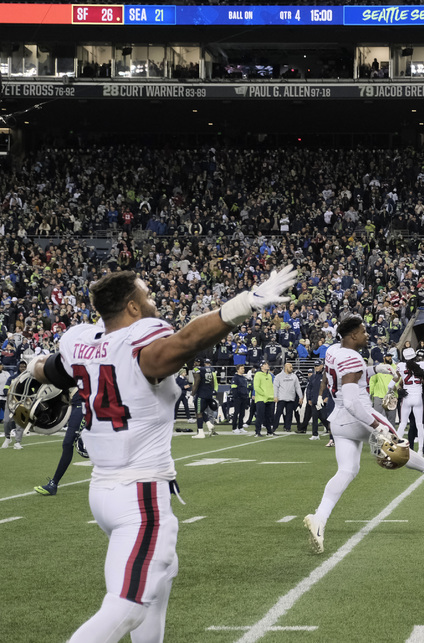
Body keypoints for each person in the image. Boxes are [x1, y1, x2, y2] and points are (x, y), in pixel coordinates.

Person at [25, 265, 296, 643]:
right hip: (139, 493)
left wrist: (32, 366)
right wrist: (243, 304)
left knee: (162, 573)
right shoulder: (142, 344)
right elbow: (184, 344)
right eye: (147, 295)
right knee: (127, 606)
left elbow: (51, 368)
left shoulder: (81, 342)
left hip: (102, 491)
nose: (154, 301)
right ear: (133, 308)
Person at [305, 316, 424, 554]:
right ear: (352, 336)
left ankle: (319, 519)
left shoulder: (334, 351)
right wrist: (377, 427)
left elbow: (352, 377)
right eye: (363, 332)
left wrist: (375, 369)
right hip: (358, 416)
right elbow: (354, 401)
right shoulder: (351, 356)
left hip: (338, 420)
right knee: (398, 446)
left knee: (347, 471)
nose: (367, 335)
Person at [34, 391, 87, 494]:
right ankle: (54, 484)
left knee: (69, 444)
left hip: (83, 404)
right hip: (75, 404)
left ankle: (54, 483)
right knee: (68, 444)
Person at [395, 347, 424, 453]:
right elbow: (400, 384)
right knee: (413, 425)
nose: (420, 358)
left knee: (423, 424)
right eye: (419, 356)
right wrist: (400, 389)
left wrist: (423, 375)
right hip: (415, 397)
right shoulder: (418, 366)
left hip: (423, 398)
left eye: (422, 357)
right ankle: (412, 448)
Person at [191, 357, 218, 438]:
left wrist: (191, 395)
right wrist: (212, 391)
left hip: (201, 394)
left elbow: (197, 382)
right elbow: (212, 381)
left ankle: (201, 432)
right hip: (208, 393)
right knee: (201, 411)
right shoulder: (210, 369)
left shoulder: (197, 370)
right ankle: (209, 424)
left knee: (198, 413)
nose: (196, 363)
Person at [273, 362, 302, 433]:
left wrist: (301, 397)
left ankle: (288, 427)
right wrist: (275, 396)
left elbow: (297, 387)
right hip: (281, 398)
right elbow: (275, 387)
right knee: (278, 413)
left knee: (289, 414)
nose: (292, 368)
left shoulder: (294, 376)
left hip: (291, 398)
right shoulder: (278, 376)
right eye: (290, 367)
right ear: (286, 368)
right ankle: (274, 427)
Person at [252, 361, 275, 436]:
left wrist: (272, 395)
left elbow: (271, 387)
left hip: (269, 398)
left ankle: (269, 431)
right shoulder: (258, 375)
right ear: (262, 366)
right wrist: (264, 394)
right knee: (260, 416)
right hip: (261, 399)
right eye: (265, 364)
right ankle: (257, 432)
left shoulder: (269, 375)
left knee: (268, 416)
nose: (267, 365)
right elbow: (256, 387)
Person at [229, 365, 249, 434]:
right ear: (238, 369)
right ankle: (234, 428)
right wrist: (236, 397)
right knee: (236, 412)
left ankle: (240, 427)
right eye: (241, 368)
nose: (243, 369)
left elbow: (245, 388)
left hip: (244, 397)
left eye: (243, 368)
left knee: (242, 413)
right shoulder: (235, 378)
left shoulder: (244, 378)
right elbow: (234, 388)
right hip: (238, 398)